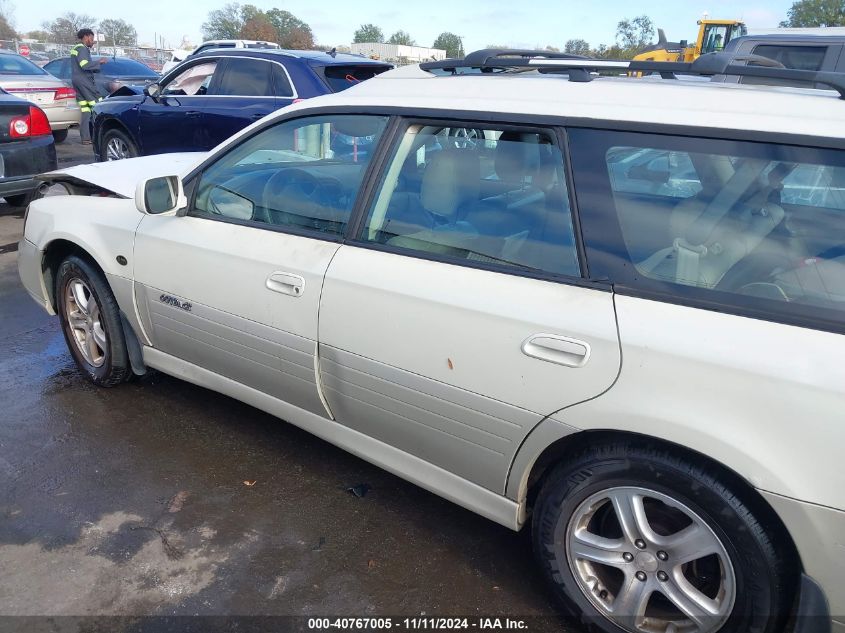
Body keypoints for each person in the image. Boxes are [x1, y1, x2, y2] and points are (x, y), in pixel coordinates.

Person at [70, 28, 107, 145]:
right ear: (86, 37)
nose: (93, 41)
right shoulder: (82, 49)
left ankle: (86, 138)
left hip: (77, 81)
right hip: (84, 81)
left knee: (86, 110)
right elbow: (84, 65)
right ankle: (101, 134)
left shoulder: (76, 48)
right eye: (91, 38)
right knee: (98, 104)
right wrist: (99, 62)